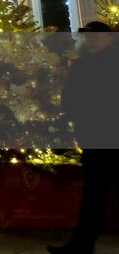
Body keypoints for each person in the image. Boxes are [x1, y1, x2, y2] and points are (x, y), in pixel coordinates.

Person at [50, 21, 119, 254]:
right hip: (94, 139)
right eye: (87, 37)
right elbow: (69, 98)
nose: (91, 40)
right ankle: (81, 245)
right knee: (93, 197)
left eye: (96, 36)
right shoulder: (81, 65)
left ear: (109, 38)